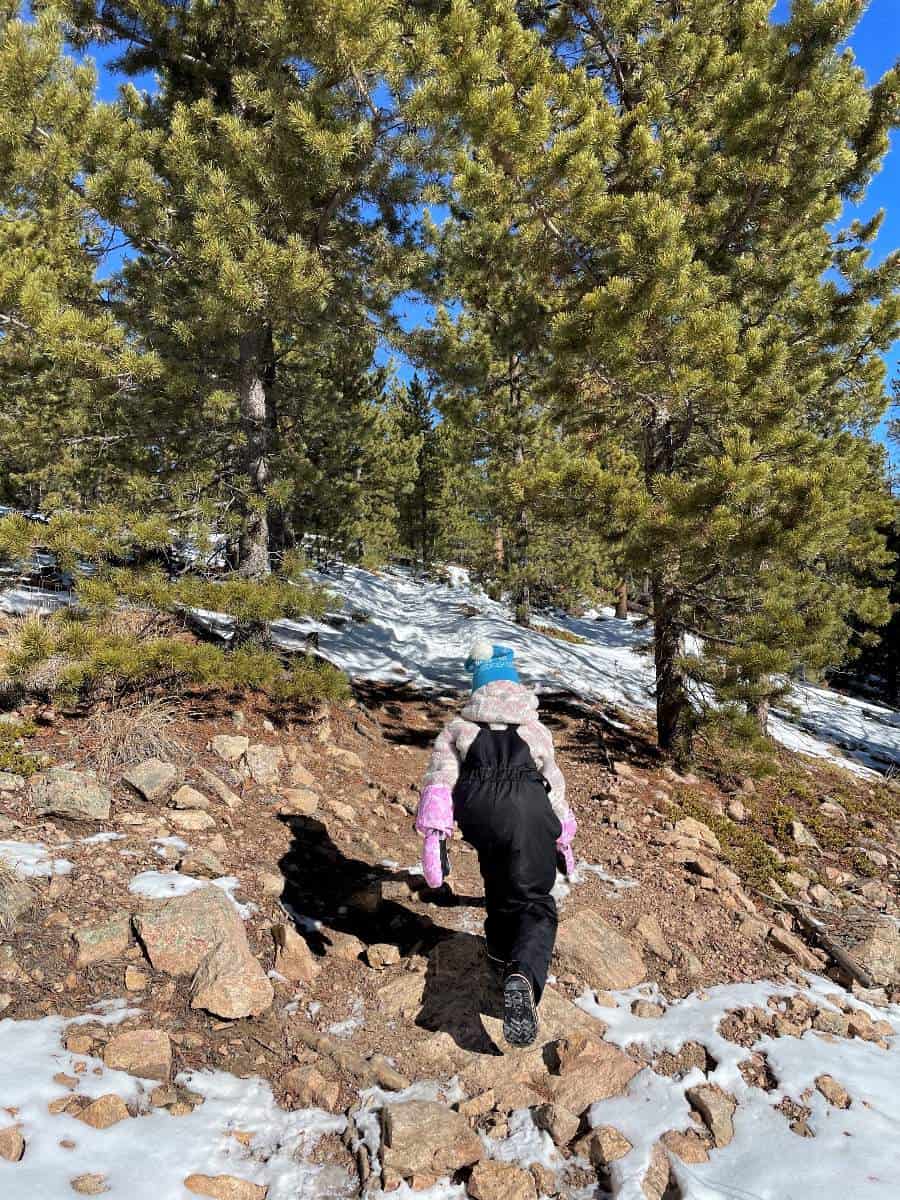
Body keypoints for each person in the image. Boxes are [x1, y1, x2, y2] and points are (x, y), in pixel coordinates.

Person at [415, 639, 577, 1047]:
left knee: (498, 870)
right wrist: (564, 837)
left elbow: (440, 780)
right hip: (527, 803)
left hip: (477, 807)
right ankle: (523, 972)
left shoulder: (460, 727)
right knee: (535, 898)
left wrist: (436, 835)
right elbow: (554, 787)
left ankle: (500, 951)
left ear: (479, 688)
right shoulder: (534, 729)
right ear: (516, 688)